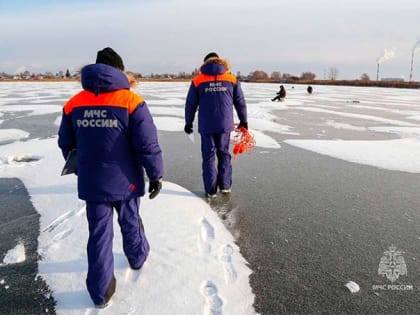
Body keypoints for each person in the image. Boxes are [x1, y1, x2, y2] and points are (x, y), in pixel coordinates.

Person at [58, 47, 164, 308]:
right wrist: (156, 175)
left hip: (93, 183)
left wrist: (83, 168)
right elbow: (147, 145)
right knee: (130, 221)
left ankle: (100, 291)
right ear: (119, 70)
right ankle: (137, 257)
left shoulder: (74, 103)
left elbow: (65, 144)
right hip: (126, 180)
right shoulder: (131, 101)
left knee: (98, 234)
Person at [184, 52, 248, 198]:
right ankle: (225, 186)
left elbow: (190, 104)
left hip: (206, 125)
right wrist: (244, 120)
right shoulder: (231, 79)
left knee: (208, 157)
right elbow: (240, 101)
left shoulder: (198, 80)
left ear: (205, 63)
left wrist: (188, 122)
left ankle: (210, 190)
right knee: (224, 154)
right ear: (220, 62)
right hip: (224, 125)